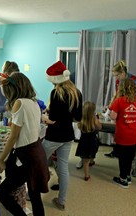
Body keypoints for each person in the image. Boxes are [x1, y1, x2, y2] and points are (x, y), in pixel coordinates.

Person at [0, 72, 50, 216]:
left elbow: (13, 136)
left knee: (1, 192)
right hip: (37, 153)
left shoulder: (19, 103)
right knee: (35, 195)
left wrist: (1, 159)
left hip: (26, 157)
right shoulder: (34, 102)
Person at [41, 60, 82, 211]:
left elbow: (52, 119)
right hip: (68, 135)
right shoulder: (76, 93)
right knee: (63, 167)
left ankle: (30, 194)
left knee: (39, 162)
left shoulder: (56, 93)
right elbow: (78, 117)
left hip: (54, 135)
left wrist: (44, 118)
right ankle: (61, 200)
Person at [109, 78, 136, 188]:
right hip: (133, 135)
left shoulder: (119, 101)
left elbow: (113, 117)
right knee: (130, 157)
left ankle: (123, 179)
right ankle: (128, 176)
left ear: (122, 88)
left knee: (122, 158)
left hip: (122, 135)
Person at [104, 60, 136, 158]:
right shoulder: (119, 81)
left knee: (129, 134)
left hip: (133, 110)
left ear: (123, 72)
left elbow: (134, 99)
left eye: (117, 75)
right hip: (123, 110)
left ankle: (130, 156)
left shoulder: (135, 81)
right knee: (117, 130)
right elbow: (116, 95)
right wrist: (110, 106)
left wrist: (117, 107)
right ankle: (118, 150)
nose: (116, 78)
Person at [75, 101, 102, 181]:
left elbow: (79, 127)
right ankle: (92, 161)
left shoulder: (81, 120)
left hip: (83, 141)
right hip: (92, 141)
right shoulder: (94, 119)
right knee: (92, 152)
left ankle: (86, 175)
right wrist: (96, 118)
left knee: (85, 160)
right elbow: (99, 127)